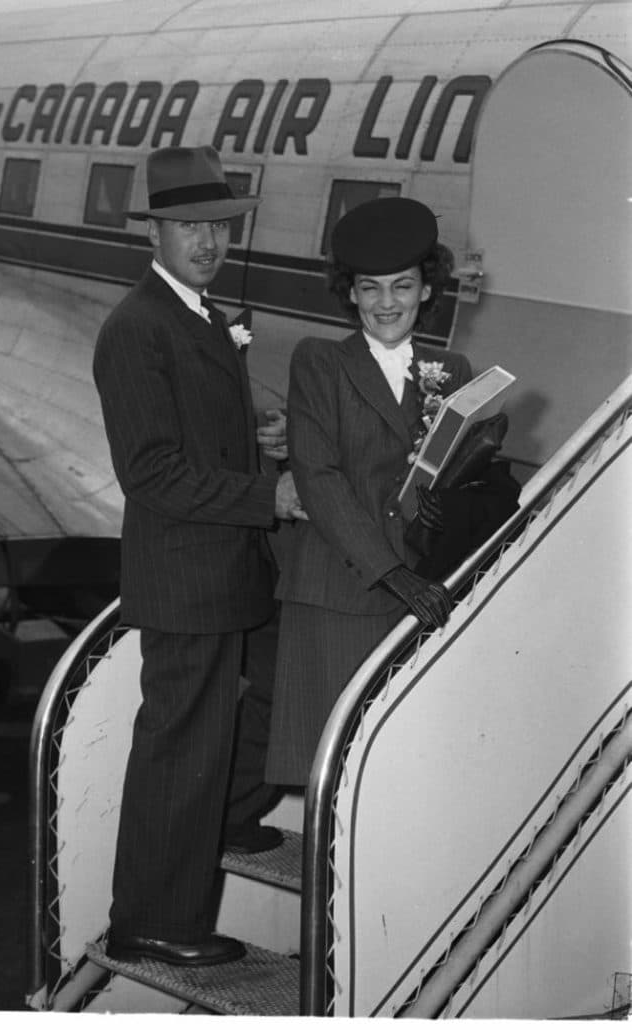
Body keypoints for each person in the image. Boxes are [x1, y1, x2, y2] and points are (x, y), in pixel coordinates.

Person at [93, 145, 305, 968]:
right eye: (188, 227)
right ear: (155, 233)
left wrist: (264, 446)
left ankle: (222, 819)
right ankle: (152, 922)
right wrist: (270, 497)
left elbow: (199, 438)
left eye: (217, 226)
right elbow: (149, 472)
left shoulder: (201, 315)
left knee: (270, 697)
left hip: (228, 568)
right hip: (185, 577)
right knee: (178, 750)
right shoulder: (138, 328)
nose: (207, 241)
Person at [265, 197, 473, 788]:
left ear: (426, 291)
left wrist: (449, 509)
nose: (387, 304)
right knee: (341, 773)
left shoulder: (452, 371)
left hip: (422, 591)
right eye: (370, 288)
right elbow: (318, 477)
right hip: (342, 590)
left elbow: (463, 476)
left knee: (405, 773)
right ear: (350, 293)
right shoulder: (320, 362)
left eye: (402, 287)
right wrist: (393, 574)